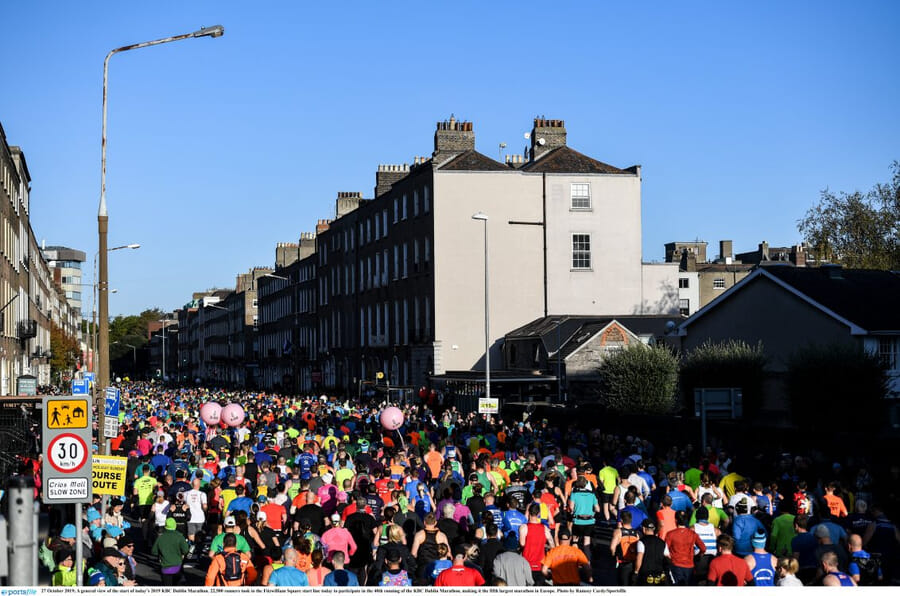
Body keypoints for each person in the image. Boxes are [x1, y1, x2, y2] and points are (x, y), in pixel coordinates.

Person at [665, 510, 705, 585]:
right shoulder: (692, 534)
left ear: (676, 520)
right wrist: (698, 555)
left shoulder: (670, 534)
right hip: (689, 566)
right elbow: (703, 548)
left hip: (675, 565)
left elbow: (665, 551)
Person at [519, 502, 554, 585]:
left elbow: (522, 544)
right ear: (539, 514)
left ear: (529, 512)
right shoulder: (544, 528)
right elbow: (552, 545)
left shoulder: (524, 527)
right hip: (540, 564)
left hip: (526, 564)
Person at [151, 517, 190, 585]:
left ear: (165, 527)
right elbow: (186, 550)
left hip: (165, 568)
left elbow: (154, 551)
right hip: (177, 567)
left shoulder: (160, 538)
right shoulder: (180, 536)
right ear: (175, 526)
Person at [610, 509, 641, 585]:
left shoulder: (618, 532)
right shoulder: (636, 533)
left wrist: (613, 555)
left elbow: (612, 547)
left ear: (621, 520)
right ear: (631, 520)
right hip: (634, 563)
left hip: (623, 563)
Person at [635, 519, 668, 586]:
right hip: (659, 576)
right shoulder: (662, 542)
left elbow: (639, 558)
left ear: (644, 529)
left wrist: (636, 572)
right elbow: (668, 558)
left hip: (645, 576)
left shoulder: (641, 542)